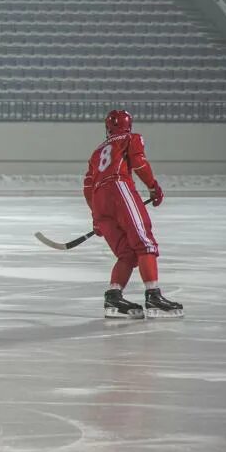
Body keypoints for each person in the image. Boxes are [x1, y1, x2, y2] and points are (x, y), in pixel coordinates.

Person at [84, 109, 183, 319]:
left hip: (99, 199)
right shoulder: (131, 138)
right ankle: (153, 296)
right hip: (119, 188)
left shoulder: (97, 152)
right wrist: (153, 186)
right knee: (144, 242)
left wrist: (96, 217)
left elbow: (88, 187)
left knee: (127, 253)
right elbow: (138, 163)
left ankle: (114, 296)